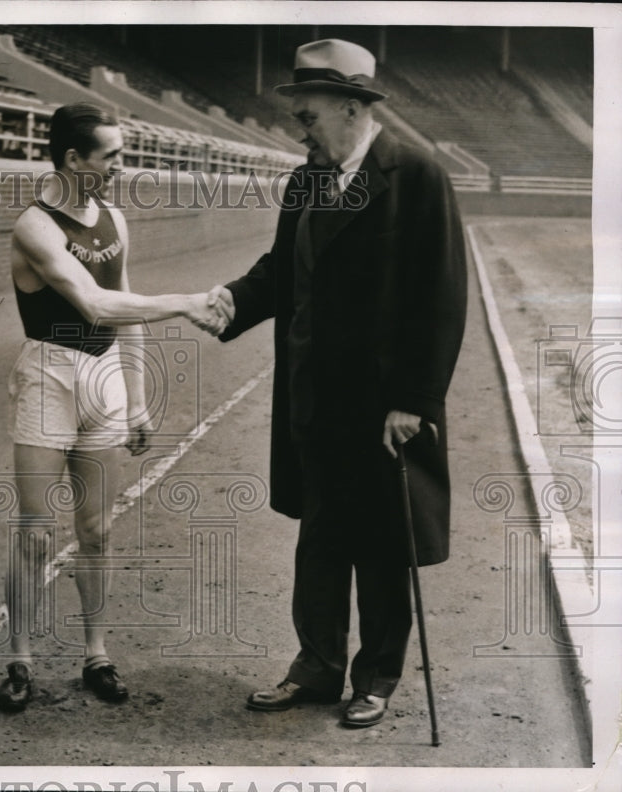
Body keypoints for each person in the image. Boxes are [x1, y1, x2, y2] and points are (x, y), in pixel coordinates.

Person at [207, 39, 467, 728]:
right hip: (315, 399)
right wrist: (229, 302)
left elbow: (440, 298)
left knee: (384, 546)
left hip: (383, 410)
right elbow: (279, 271)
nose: (301, 129)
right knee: (320, 539)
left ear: (352, 108)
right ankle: (317, 666)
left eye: (310, 116)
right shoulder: (307, 181)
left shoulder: (417, 176)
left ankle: (376, 676)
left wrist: (414, 400)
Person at [0, 102, 229, 711]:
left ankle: (96, 651)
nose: (121, 168)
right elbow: (94, 305)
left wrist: (136, 401)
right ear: (74, 159)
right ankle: (19, 657)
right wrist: (183, 301)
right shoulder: (36, 226)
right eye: (112, 157)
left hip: (102, 380)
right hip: (48, 374)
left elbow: (123, 316)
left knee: (96, 531)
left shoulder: (114, 219)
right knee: (34, 534)